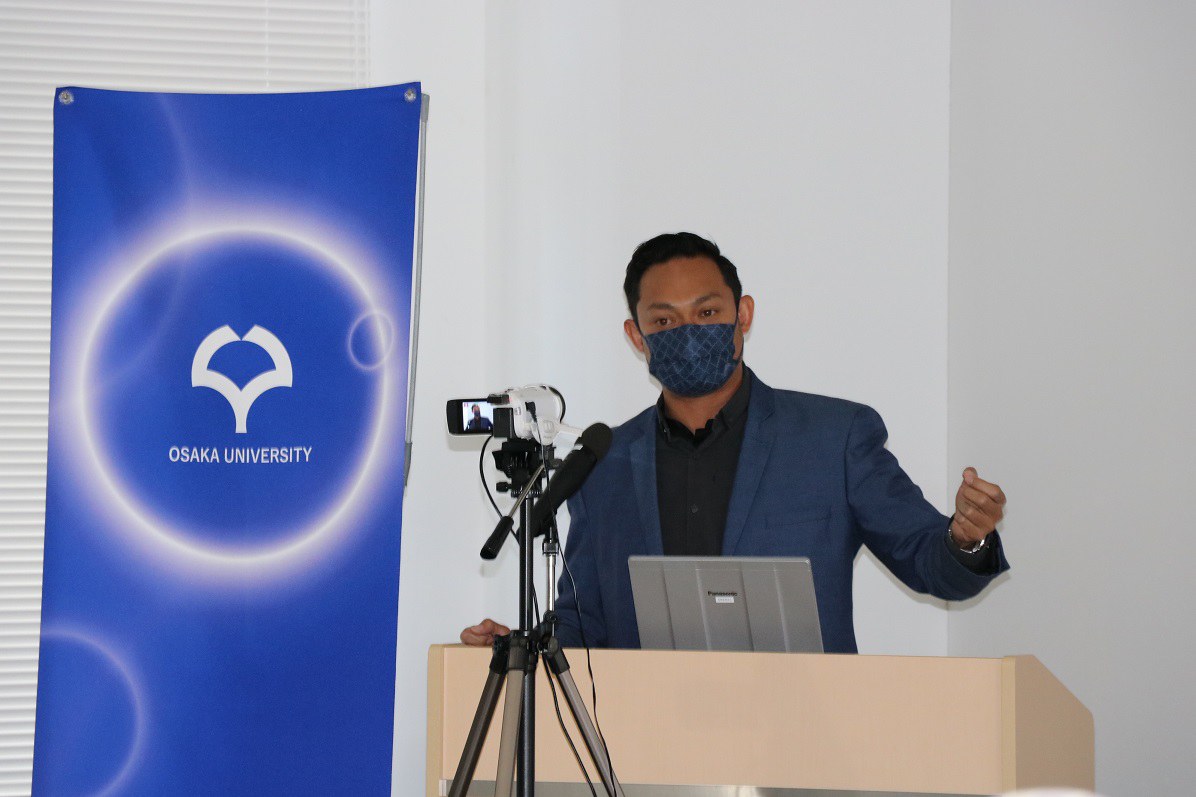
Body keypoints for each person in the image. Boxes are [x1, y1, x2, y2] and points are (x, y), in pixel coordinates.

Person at [462, 232, 1008, 653]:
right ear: (637, 337)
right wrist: (520, 649)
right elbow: (587, 623)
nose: (687, 332)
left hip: (802, 737)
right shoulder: (603, 462)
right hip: (646, 740)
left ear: (742, 315)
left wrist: (965, 539)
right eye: (664, 320)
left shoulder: (833, 438)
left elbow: (931, 565)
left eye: (706, 313)